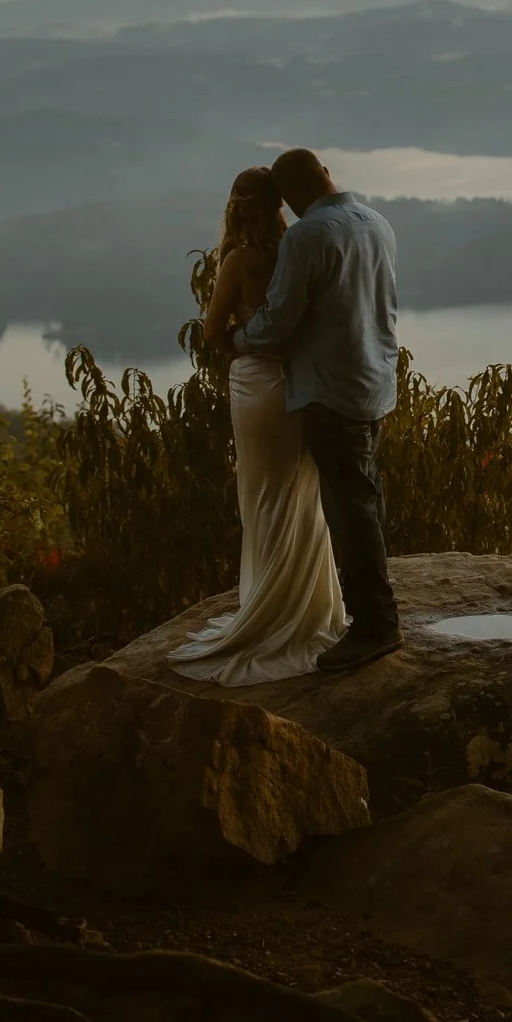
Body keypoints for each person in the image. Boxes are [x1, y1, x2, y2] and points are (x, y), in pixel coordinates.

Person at [213, 146, 403, 671]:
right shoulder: (377, 222)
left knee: (349, 510)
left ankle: (376, 626)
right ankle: (374, 615)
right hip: (374, 381)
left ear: (292, 196)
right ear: (326, 174)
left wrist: (237, 340)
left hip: (330, 389)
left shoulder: (307, 236)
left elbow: (277, 321)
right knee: (364, 500)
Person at [167, 167, 349, 684]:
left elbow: (211, 330)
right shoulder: (297, 246)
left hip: (257, 386)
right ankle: (309, 610)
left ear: (236, 206)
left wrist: (244, 349)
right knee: (301, 494)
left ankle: (269, 610)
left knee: (264, 494)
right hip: (303, 382)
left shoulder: (240, 259)